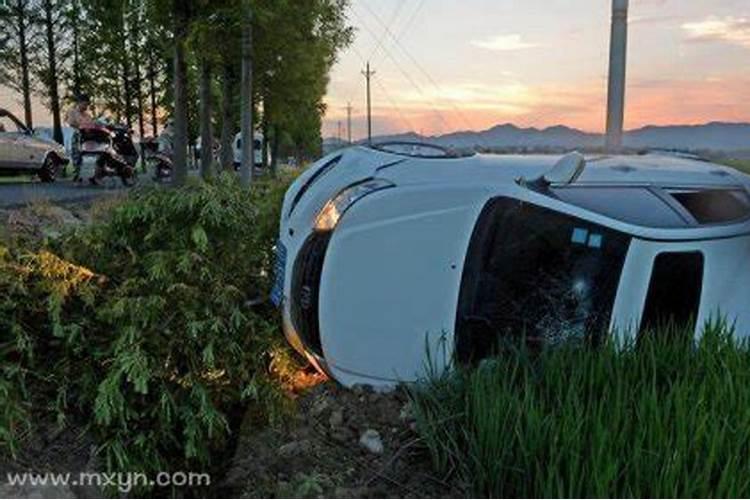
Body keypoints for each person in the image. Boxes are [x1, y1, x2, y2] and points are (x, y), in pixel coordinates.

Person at [66, 94, 94, 181]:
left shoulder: (88, 115)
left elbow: (91, 124)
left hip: (88, 136)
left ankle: (92, 174)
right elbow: (71, 123)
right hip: (77, 134)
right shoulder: (73, 112)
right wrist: (82, 126)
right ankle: (77, 174)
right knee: (76, 154)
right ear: (79, 103)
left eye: (87, 104)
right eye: (84, 104)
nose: (86, 106)